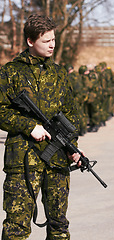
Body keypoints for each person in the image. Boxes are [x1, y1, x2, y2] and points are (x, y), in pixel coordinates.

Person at [0, 14, 81, 239]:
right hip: (23, 162)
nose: (52, 44)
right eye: (46, 41)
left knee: (59, 227)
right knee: (16, 228)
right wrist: (28, 126)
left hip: (56, 163)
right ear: (30, 41)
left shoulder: (59, 74)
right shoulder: (11, 72)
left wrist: (72, 147)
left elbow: (71, 116)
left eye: (53, 39)